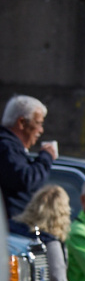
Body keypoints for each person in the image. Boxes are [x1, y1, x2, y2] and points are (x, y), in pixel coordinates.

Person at [1, 94, 59, 223]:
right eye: (38, 123)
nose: (41, 130)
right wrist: (46, 157)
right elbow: (26, 179)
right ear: (21, 122)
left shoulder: (11, 147)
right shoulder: (6, 147)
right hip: (11, 227)